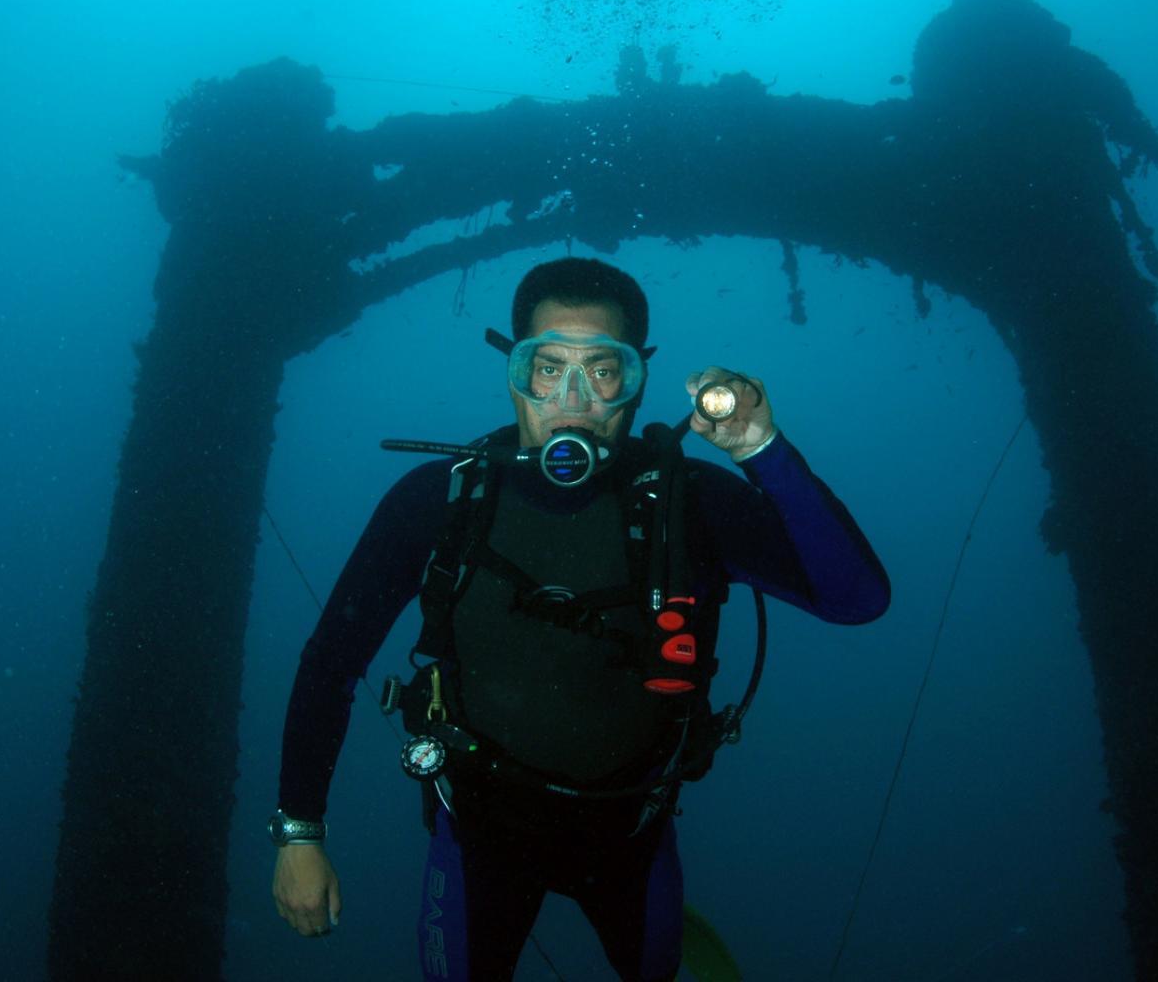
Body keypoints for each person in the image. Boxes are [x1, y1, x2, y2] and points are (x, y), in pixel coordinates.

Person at [271, 256, 890, 981]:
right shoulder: (437, 503)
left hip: (631, 835)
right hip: (478, 835)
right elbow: (331, 662)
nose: (571, 398)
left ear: (638, 380)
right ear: (514, 370)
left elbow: (857, 600)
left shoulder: (692, 505)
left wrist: (760, 448)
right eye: (546, 367)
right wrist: (297, 833)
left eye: (602, 370)